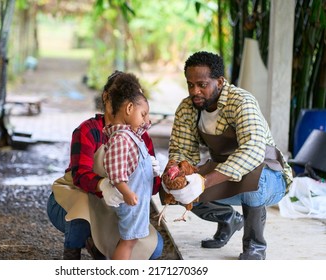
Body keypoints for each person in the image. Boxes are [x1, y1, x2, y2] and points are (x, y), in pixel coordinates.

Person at [164, 51, 293, 260]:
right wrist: (176, 174)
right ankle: (229, 219)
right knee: (182, 189)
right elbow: (181, 150)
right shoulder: (188, 108)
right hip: (224, 173)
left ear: (220, 81)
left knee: (254, 181)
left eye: (202, 84)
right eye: (190, 84)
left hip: (268, 175)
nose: (194, 91)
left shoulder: (242, 102)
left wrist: (205, 181)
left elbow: (252, 151)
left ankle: (255, 246)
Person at [46, 70, 163, 260]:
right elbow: (80, 175)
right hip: (77, 200)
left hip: (114, 209)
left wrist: (154, 176)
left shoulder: (142, 138)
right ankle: (71, 253)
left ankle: (99, 248)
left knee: (153, 248)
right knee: (81, 214)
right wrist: (104, 185)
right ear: (106, 98)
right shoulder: (88, 130)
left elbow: (149, 190)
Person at [102, 73, 154, 259]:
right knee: (128, 241)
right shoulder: (121, 139)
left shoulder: (129, 135)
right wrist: (127, 192)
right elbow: (116, 174)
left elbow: (141, 127)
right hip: (132, 201)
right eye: (144, 114)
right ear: (129, 108)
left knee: (130, 240)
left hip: (137, 202)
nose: (146, 121)